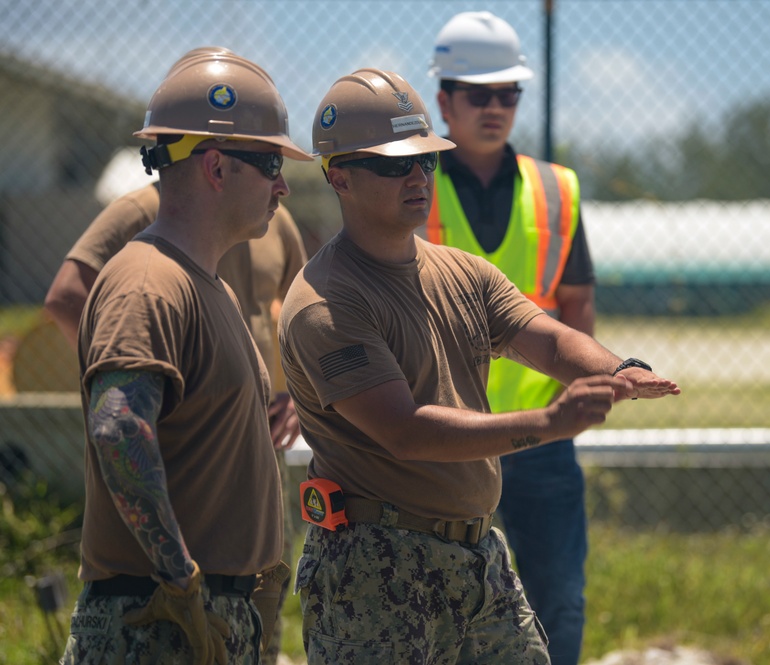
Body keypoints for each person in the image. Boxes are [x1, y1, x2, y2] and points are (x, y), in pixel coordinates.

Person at [279, 67, 679, 664]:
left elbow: (544, 339)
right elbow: (406, 431)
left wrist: (619, 369)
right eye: (394, 165)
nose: (418, 176)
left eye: (427, 161)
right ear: (340, 177)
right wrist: (546, 424)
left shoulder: (461, 273)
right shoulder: (326, 301)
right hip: (375, 571)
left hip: (474, 557)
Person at [60, 50, 312, 665]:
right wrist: (180, 582)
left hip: (202, 618)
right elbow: (119, 425)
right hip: (155, 623)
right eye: (271, 163)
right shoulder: (147, 282)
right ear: (218, 167)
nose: (282, 184)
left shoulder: (207, 284)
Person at [423, 11, 595, 664]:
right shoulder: (412, 182)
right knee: (448, 606)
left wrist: (571, 402)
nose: (496, 107)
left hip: (540, 432)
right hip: (447, 436)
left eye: (509, 93)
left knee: (558, 600)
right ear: (444, 99)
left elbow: (576, 304)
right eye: (478, 94)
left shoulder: (557, 190)